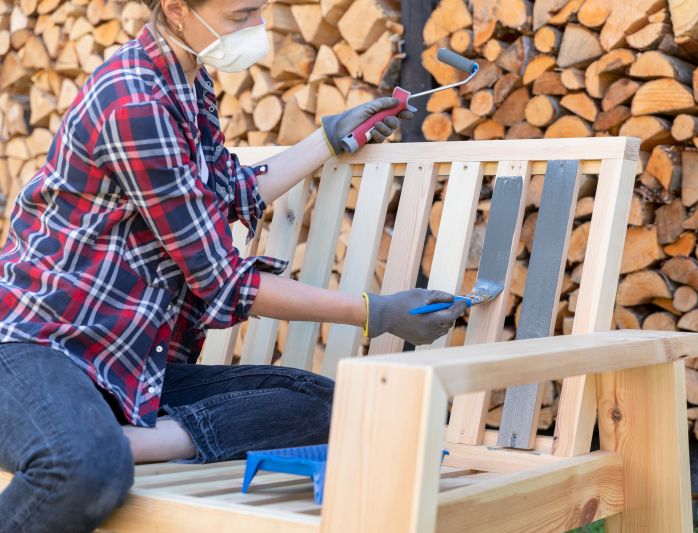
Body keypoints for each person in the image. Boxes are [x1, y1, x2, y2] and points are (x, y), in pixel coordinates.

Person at [0, 0, 467, 530]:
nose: (257, 30)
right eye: (240, 16)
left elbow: (225, 193)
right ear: (177, 10)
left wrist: (330, 138)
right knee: (83, 468)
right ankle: (94, 438)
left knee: (327, 405)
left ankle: (130, 438)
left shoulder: (188, 79)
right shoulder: (133, 100)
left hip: (122, 358)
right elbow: (221, 282)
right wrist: (373, 311)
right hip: (39, 347)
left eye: (258, 12)